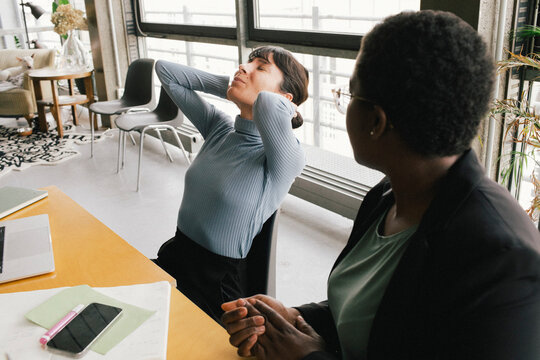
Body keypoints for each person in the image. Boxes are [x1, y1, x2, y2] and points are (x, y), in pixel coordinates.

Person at [221, 10, 540, 360]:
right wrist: (297, 319)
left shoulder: (502, 261)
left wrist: (308, 357)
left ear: (375, 120)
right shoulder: (388, 194)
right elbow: (377, 314)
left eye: (349, 93)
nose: (344, 103)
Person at [153, 46, 309, 322]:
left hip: (214, 289)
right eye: (247, 62)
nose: (243, 67)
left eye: (260, 67)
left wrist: (283, 104)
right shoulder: (219, 128)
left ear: (286, 98)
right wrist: (232, 84)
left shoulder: (283, 157)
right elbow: (166, 70)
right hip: (174, 257)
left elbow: (269, 105)